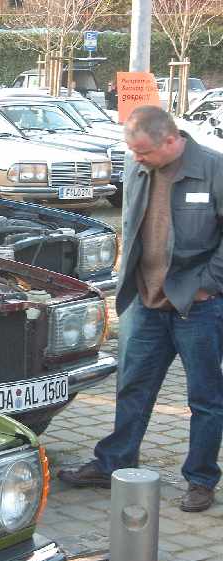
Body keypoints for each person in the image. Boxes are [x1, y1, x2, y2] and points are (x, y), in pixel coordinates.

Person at [58, 105, 223, 512]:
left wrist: (206, 285)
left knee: (205, 398)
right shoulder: (138, 168)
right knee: (133, 387)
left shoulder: (214, 170)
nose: (136, 158)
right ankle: (113, 463)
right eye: (132, 151)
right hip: (145, 303)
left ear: (171, 140)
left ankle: (200, 479)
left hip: (197, 307)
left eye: (143, 151)